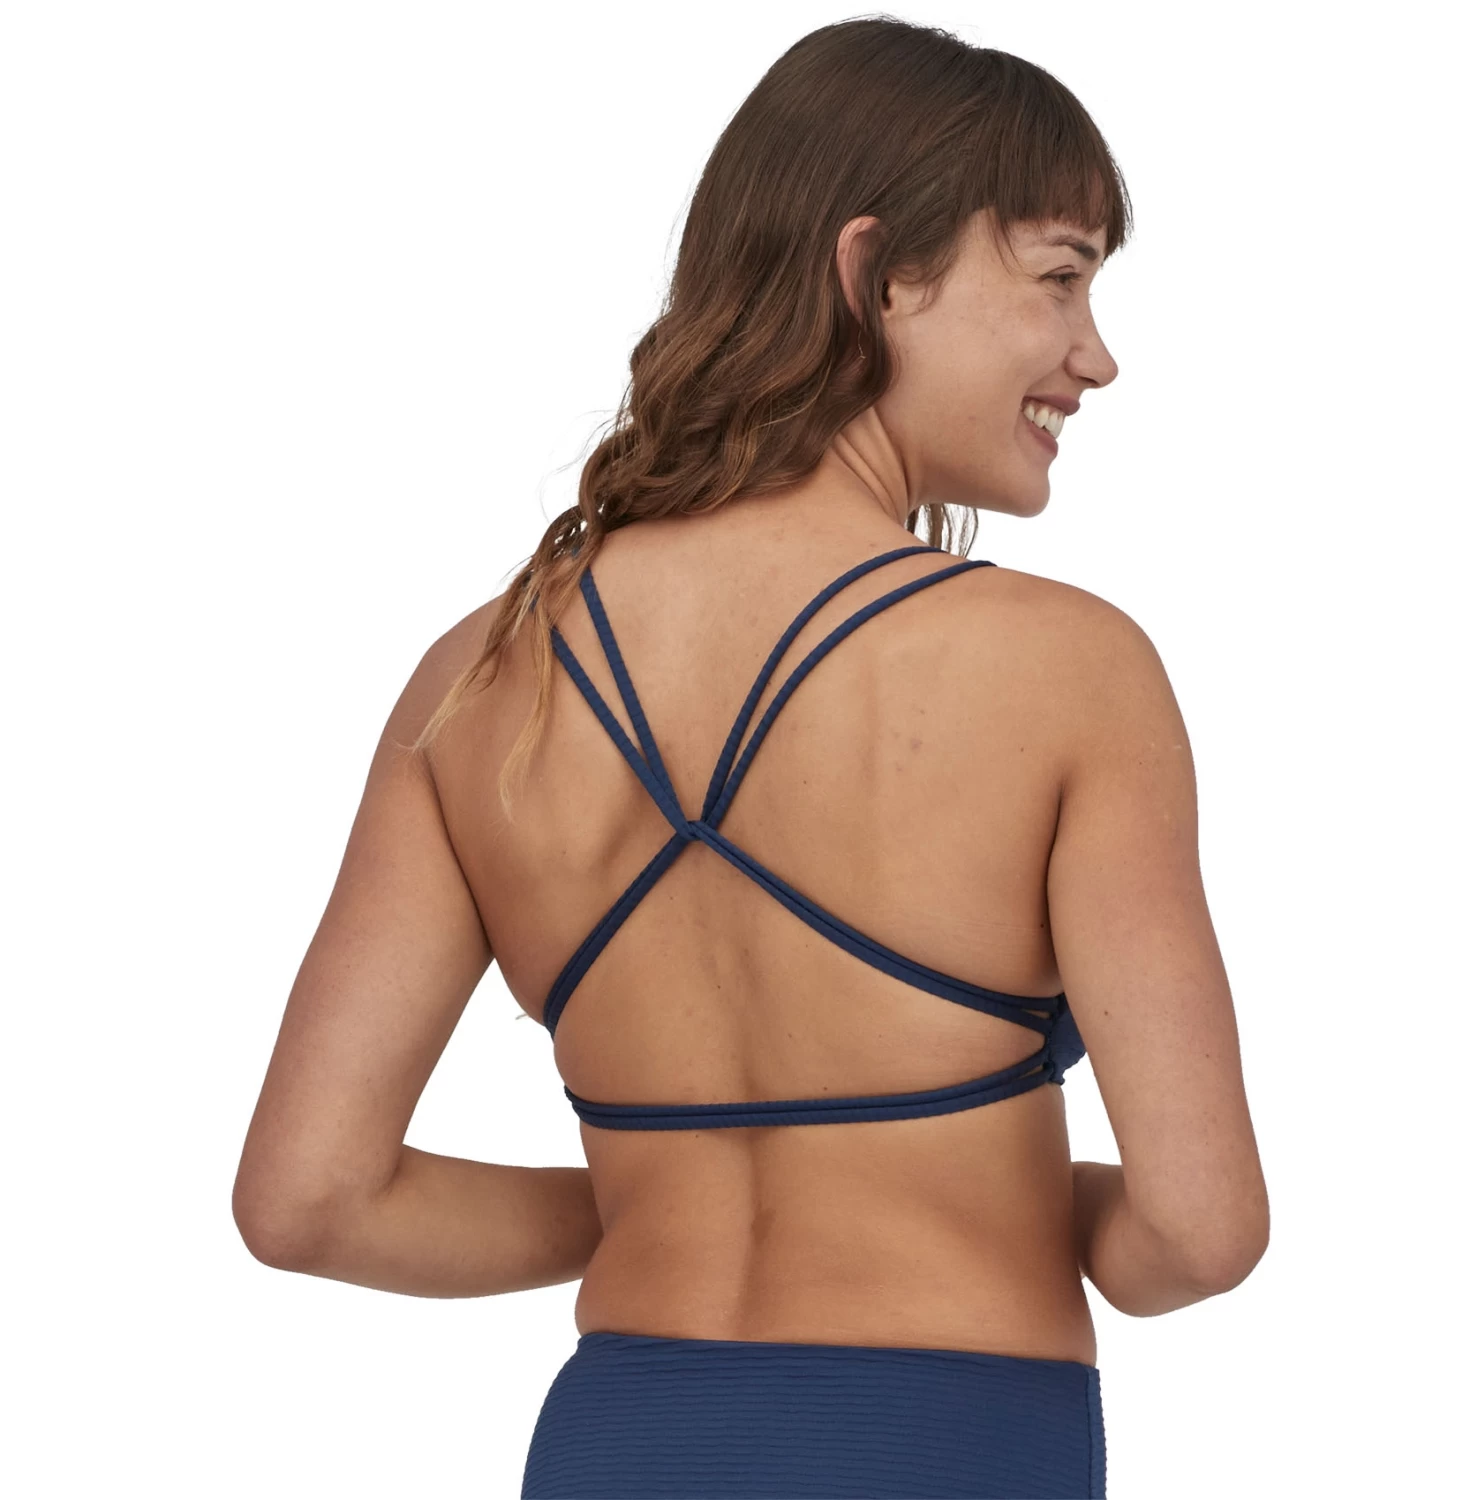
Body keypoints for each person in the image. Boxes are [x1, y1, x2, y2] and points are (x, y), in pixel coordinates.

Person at [232, 17, 1269, 1499]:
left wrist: (645, 1199)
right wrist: (995, 1198)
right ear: (877, 272)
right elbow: (1201, 1232)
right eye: (1060, 278)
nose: (1095, 355)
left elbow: (310, 1201)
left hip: (618, 1439)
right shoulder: (1071, 670)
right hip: (948, 1448)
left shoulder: (480, 677)